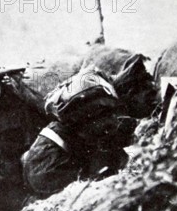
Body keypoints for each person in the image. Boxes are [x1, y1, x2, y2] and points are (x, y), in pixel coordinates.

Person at [22, 68, 135, 197]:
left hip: (44, 161)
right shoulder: (101, 107)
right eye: (104, 115)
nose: (112, 120)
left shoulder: (94, 112)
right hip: (49, 172)